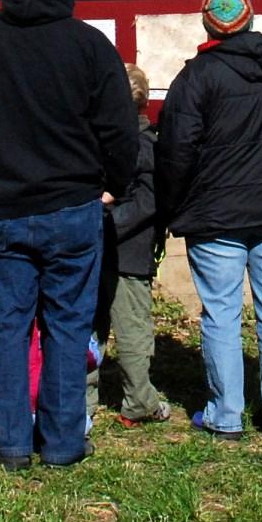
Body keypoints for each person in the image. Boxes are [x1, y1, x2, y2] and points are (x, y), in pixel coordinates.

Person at [0, 0, 140, 470]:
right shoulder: (88, 45)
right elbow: (120, 129)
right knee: (67, 326)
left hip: (2, 211)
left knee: (8, 327)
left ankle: (10, 443)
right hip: (72, 208)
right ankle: (63, 442)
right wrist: (113, 184)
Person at [157, 0, 262, 442]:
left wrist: (171, 209)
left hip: (214, 217)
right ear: (250, 21)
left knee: (221, 314)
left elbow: (175, 152)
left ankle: (225, 416)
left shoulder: (196, 78)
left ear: (208, 26)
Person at [88, 63, 172, 427]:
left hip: (106, 246)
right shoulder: (145, 143)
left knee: (94, 327)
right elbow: (148, 203)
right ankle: (137, 403)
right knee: (129, 328)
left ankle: (85, 401)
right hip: (126, 249)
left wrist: (99, 222)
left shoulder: (111, 143)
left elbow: (143, 201)